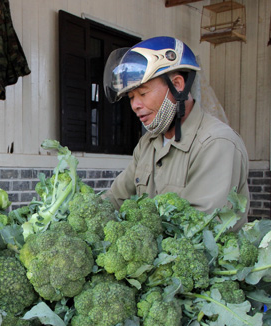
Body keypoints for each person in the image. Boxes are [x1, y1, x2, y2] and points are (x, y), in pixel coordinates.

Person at [102, 36, 250, 228]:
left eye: (143, 93)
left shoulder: (216, 143)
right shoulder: (147, 144)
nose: (135, 105)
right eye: (131, 97)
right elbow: (115, 198)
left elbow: (199, 230)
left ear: (178, 85)